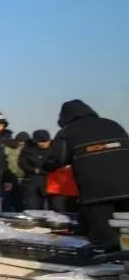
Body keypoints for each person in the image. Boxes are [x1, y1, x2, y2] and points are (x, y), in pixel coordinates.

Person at [46, 100, 129, 248]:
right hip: (126, 185)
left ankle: (112, 261)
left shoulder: (68, 131)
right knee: (126, 226)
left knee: (104, 230)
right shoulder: (112, 124)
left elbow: (57, 159)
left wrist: (46, 166)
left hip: (96, 191)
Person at [19, 129, 56, 211]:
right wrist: (33, 170)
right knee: (32, 207)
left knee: (54, 208)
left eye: (46, 141)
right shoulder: (28, 149)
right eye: (41, 142)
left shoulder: (55, 148)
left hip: (52, 181)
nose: (43, 144)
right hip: (32, 181)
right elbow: (22, 163)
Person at [1, 131, 29, 213]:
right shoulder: (21, 149)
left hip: (10, 176)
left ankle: (8, 213)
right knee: (14, 199)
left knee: (9, 198)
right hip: (13, 176)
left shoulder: (6, 147)